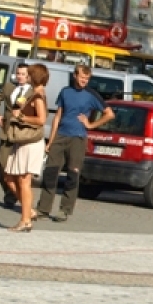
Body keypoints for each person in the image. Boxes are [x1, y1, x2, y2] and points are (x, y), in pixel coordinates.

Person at [38, 65, 113, 222]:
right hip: (61, 136)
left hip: (78, 138)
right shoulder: (65, 91)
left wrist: (91, 125)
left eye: (87, 78)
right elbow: (58, 116)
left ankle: (65, 210)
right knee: (50, 172)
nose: (84, 80)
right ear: (75, 76)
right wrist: (51, 140)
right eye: (82, 77)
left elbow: (109, 114)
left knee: (73, 175)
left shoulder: (91, 94)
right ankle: (43, 209)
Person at [1, 64, 49, 233]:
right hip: (23, 141)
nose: (26, 76)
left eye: (28, 74)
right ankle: (28, 213)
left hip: (31, 142)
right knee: (10, 177)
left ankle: (25, 220)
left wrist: (21, 116)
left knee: (24, 181)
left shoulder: (38, 96)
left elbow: (41, 120)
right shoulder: (35, 93)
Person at [0, 62, 32, 207]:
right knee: (2, 164)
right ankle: (10, 192)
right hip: (7, 132)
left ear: (28, 76)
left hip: (23, 133)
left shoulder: (33, 91)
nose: (20, 77)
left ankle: (17, 197)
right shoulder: (9, 87)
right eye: (18, 74)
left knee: (19, 169)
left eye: (23, 74)